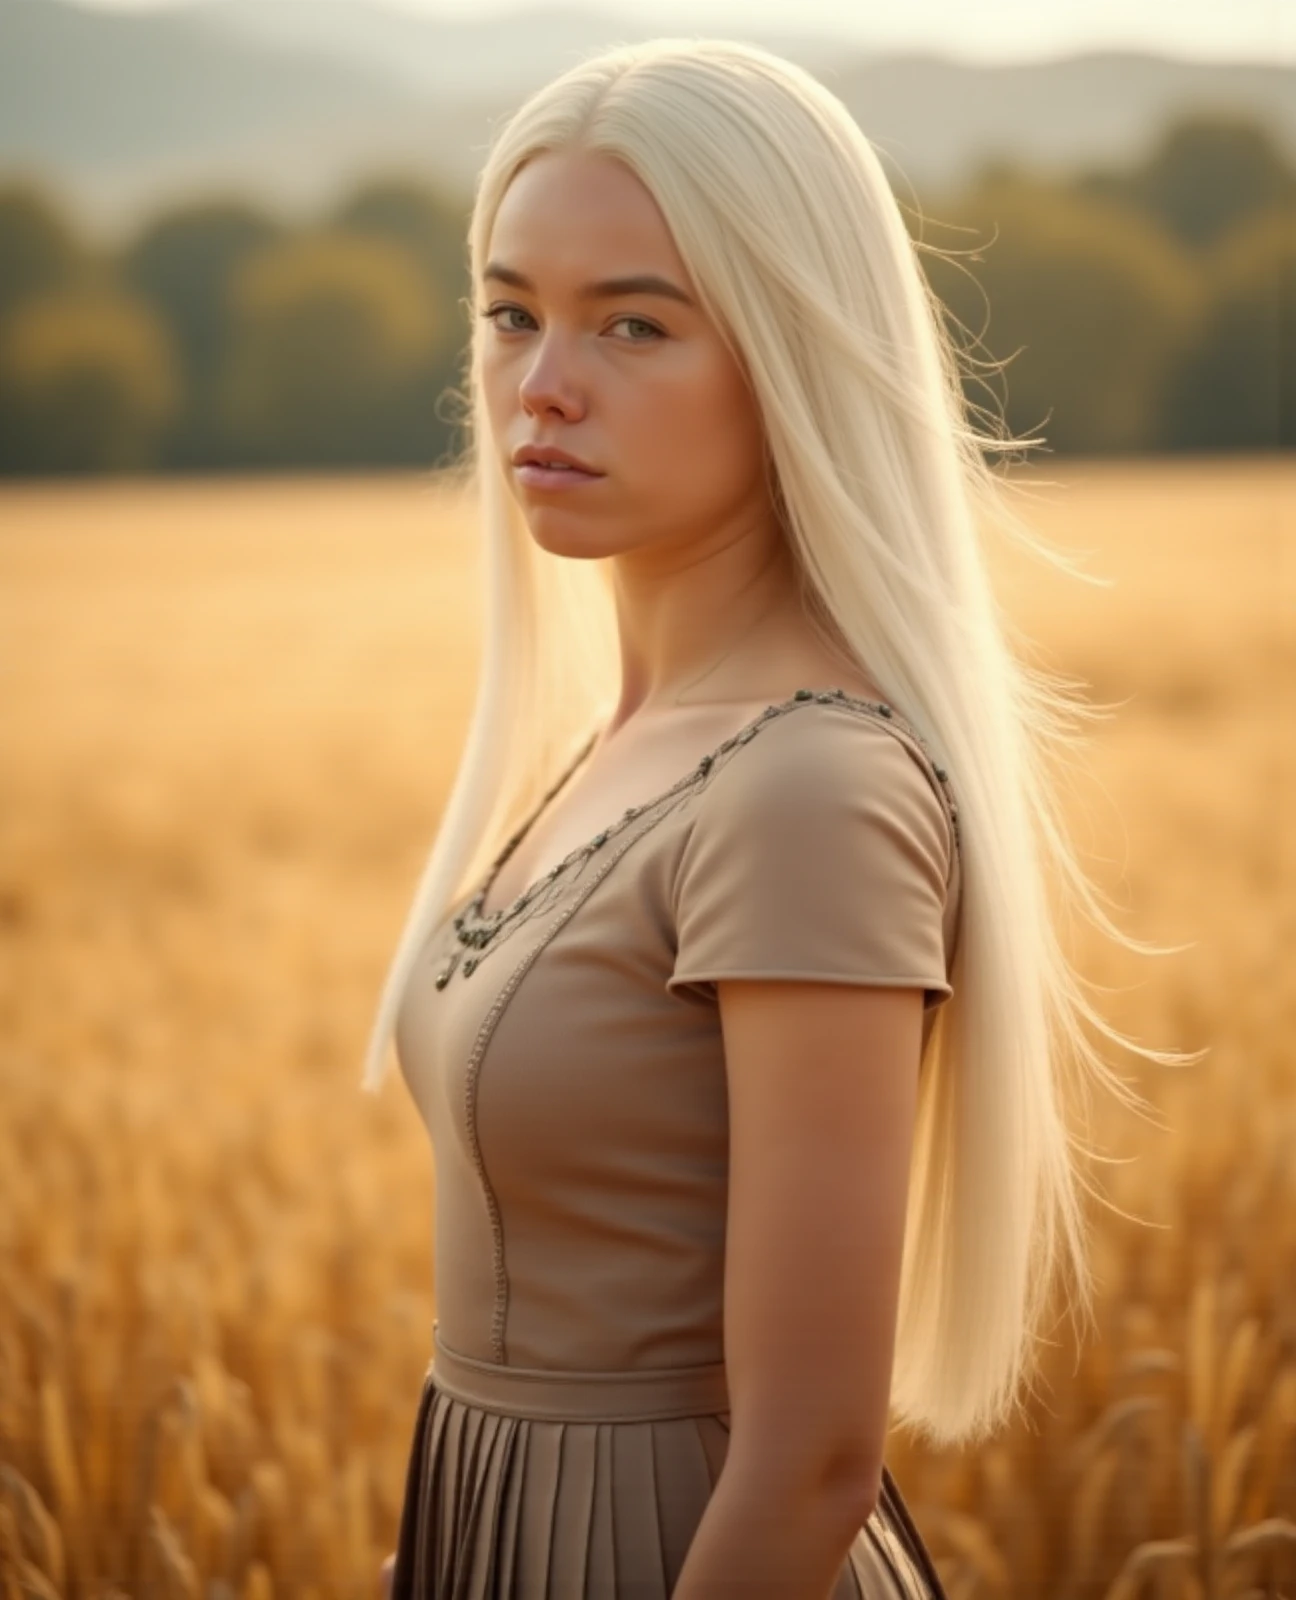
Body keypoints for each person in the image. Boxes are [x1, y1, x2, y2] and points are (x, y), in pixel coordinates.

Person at [360, 35, 1170, 1599]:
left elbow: (807, 1467)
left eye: (635, 323)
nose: (543, 384)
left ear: (791, 351)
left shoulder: (809, 789)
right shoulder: (623, 747)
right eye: (511, 313)